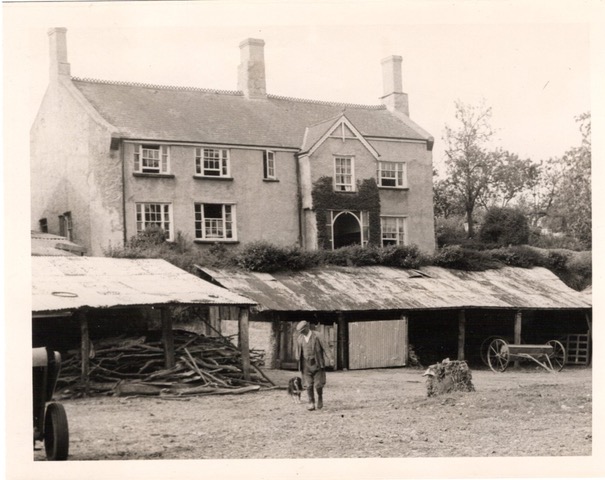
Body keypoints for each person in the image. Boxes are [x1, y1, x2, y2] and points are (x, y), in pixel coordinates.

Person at [294, 320, 333, 411]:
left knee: (318, 385)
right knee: (308, 385)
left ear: (307, 327)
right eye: (300, 331)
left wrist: (331, 358)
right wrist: (297, 358)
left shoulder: (317, 335)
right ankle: (311, 402)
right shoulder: (300, 338)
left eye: (303, 330)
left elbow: (325, 347)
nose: (302, 332)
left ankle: (320, 397)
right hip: (305, 365)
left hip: (317, 363)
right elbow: (297, 350)